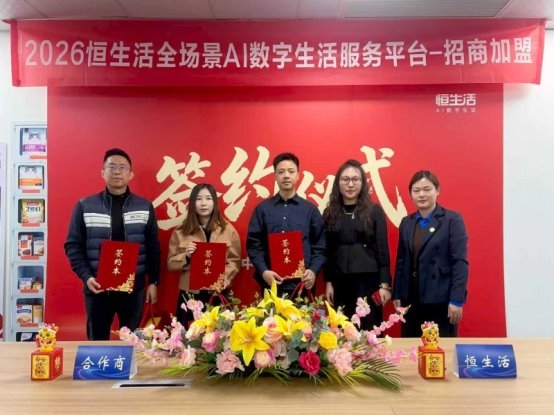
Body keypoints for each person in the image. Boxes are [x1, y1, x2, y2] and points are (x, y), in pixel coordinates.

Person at [64, 148, 161, 340]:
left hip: (134, 289)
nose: (117, 171)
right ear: (102, 172)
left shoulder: (144, 206)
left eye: (122, 167)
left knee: (133, 342)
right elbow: (73, 246)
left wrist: (153, 281)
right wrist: (86, 277)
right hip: (98, 288)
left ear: (131, 174)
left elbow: (153, 246)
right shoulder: (85, 206)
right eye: (112, 166)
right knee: (97, 341)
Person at [392, 170, 469, 337]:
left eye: (427, 189)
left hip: (440, 297)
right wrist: (397, 293)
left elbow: (459, 262)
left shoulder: (452, 220)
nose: (421, 195)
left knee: (439, 347)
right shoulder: (407, 222)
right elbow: (402, 260)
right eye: (416, 190)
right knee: (411, 345)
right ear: (411, 194)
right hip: (411, 298)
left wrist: (456, 300)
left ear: (437, 190)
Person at [323, 159, 392, 329]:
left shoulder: (374, 211)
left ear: (362, 183)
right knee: (342, 330)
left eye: (355, 179)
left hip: (368, 282)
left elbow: (382, 249)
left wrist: (384, 285)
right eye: (345, 179)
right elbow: (328, 251)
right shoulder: (330, 212)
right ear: (338, 183)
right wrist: (328, 282)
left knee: (369, 330)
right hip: (340, 282)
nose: (350, 184)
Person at [247, 152, 325, 297]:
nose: (286, 176)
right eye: (281, 172)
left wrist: (313, 271)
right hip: (271, 285)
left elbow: (320, 246)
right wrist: (264, 271)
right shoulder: (262, 209)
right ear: (275, 176)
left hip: (302, 286)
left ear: (298, 175)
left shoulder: (310, 210)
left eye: (291, 171)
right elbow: (254, 245)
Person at [167, 183, 241, 326]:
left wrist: (224, 279)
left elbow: (235, 260)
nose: (203, 203)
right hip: (190, 294)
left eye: (208, 198)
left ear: (215, 202)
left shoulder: (227, 229)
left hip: (218, 292)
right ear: (192, 203)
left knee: (220, 336)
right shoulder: (181, 231)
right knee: (188, 336)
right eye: (199, 199)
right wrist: (186, 256)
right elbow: (170, 263)